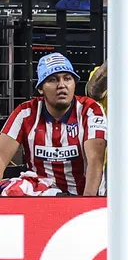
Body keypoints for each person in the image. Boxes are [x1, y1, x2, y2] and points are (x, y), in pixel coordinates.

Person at [0, 53, 106, 197]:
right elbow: (1, 157)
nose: (61, 85)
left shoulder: (90, 110)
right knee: (13, 188)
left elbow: (95, 160)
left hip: (83, 196)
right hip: (41, 196)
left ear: (74, 84)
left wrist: (86, 205)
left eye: (67, 79)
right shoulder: (25, 112)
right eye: (52, 80)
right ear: (40, 88)